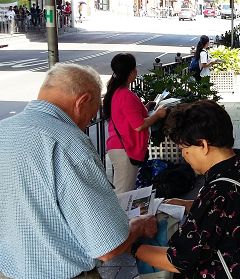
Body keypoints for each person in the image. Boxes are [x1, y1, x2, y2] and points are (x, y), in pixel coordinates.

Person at [0, 63, 157, 278]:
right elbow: (108, 246)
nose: (86, 125)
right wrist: (138, 226)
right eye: (90, 117)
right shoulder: (70, 143)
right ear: (82, 101)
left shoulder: (4, 130)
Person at [132, 100, 240, 279]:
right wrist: (190, 204)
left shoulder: (218, 191)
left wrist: (133, 246)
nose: (184, 155)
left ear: (203, 145)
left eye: (184, 149)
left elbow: (179, 260)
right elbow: (232, 212)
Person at [103, 53, 167, 194]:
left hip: (120, 146)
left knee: (123, 189)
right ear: (131, 72)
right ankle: (121, 216)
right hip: (125, 148)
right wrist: (158, 115)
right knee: (123, 193)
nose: (136, 71)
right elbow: (138, 125)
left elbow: (126, 117)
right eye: (134, 68)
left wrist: (146, 108)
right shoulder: (126, 95)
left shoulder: (116, 92)